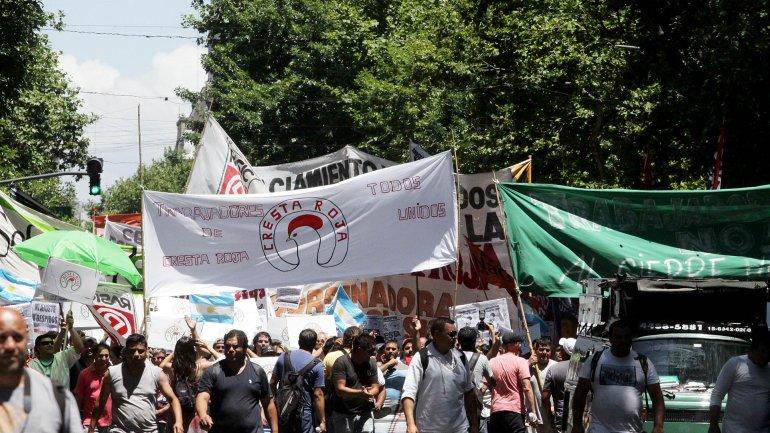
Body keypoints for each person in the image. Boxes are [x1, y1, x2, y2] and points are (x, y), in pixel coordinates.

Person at [572, 320, 664, 433]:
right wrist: (577, 424)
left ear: (631, 338)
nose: (623, 341)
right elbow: (580, 394)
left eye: (626, 337)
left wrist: (658, 426)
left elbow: (657, 398)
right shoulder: (595, 360)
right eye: (618, 337)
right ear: (610, 339)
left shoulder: (644, 362)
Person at [0, 307, 81, 433]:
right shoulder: (33, 365)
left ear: (26, 340)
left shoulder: (58, 396)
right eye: (1, 337)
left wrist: (70, 328)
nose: (10, 345)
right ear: (36, 347)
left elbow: (78, 348)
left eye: (17, 337)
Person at [90, 333, 184, 433]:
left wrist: (179, 422)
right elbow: (100, 403)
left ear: (147, 352)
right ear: (126, 352)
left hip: (148, 431)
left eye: (140, 351)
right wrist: (91, 428)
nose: (136, 354)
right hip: (120, 430)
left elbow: (173, 399)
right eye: (132, 351)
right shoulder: (112, 373)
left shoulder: (157, 373)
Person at [401, 317, 479, 433]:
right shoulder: (421, 358)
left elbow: (469, 392)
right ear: (437, 335)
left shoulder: (461, 357)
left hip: (459, 428)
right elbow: (409, 392)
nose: (455, 338)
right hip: (428, 429)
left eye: (456, 334)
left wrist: (474, 424)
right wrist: (411, 424)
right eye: (451, 334)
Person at [196, 329, 278, 433]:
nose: (231, 349)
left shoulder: (257, 371)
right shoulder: (213, 371)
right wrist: (203, 415)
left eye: (235, 346)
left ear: (245, 349)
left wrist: (275, 430)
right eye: (227, 346)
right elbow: (202, 397)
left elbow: (268, 404)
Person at [708, 330, 770, 433]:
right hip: (734, 430)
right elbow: (717, 395)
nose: (766, 356)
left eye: (769, 353)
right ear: (753, 350)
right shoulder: (735, 364)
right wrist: (713, 425)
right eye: (762, 351)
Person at [271, 328, 326, 433]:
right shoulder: (317, 365)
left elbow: (272, 383)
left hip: (283, 409)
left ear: (299, 341)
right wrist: (322, 421)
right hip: (304, 413)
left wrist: (274, 404)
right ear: (315, 344)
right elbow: (318, 394)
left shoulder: (283, 356)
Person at [160, 336, 215, 432]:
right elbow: (221, 360)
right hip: (193, 410)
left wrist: (176, 351)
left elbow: (161, 365)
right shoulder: (200, 367)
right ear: (192, 352)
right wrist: (207, 347)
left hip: (175, 412)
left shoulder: (173, 368)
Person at [330, 333, 382, 433]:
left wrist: (369, 393)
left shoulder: (371, 363)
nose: (374, 353)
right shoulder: (341, 362)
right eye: (370, 351)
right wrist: (360, 393)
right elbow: (340, 390)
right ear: (359, 350)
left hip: (365, 412)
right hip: (344, 414)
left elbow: (376, 387)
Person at [488, 332, 538, 433]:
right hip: (515, 412)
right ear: (512, 344)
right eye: (518, 343)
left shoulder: (492, 361)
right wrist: (533, 411)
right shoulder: (521, 361)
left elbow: (487, 384)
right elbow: (527, 387)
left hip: (496, 411)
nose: (519, 345)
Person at [29, 310, 85, 388]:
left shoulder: (62, 357)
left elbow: (79, 349)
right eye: (45, 343)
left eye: (51, 343)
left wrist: (71, 328)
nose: (49, 345)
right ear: (38, 348)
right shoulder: (31, 365)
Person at [458, 327, 495, 433]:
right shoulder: (482, 358)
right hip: (475, 407)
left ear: (459, 341)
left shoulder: (451, 357)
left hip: (456, 407)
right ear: (474, 341)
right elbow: (492, 381)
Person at [74, 343, 112, 433]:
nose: (104, 359)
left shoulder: (114, 373)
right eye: (100, 356)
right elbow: (78, 398)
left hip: (111, 423)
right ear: (94, 356)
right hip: (90, 423)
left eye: (106, 356)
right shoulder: (84, 374)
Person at [541, 338, 575, 433]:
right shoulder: (584, 368)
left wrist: (549, 415)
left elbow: (545, 397)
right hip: (579, 418)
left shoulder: (554, 369)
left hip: (561, 417)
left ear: (563, 352)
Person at [529, 338, 557, 433]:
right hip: (534, 418)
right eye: (541, 349)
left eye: (547, 350)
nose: (544, 352)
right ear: (535, 351)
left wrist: (554, 407)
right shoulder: (529, 366)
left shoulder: (556, 367)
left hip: (551, 415)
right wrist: (528, 364)